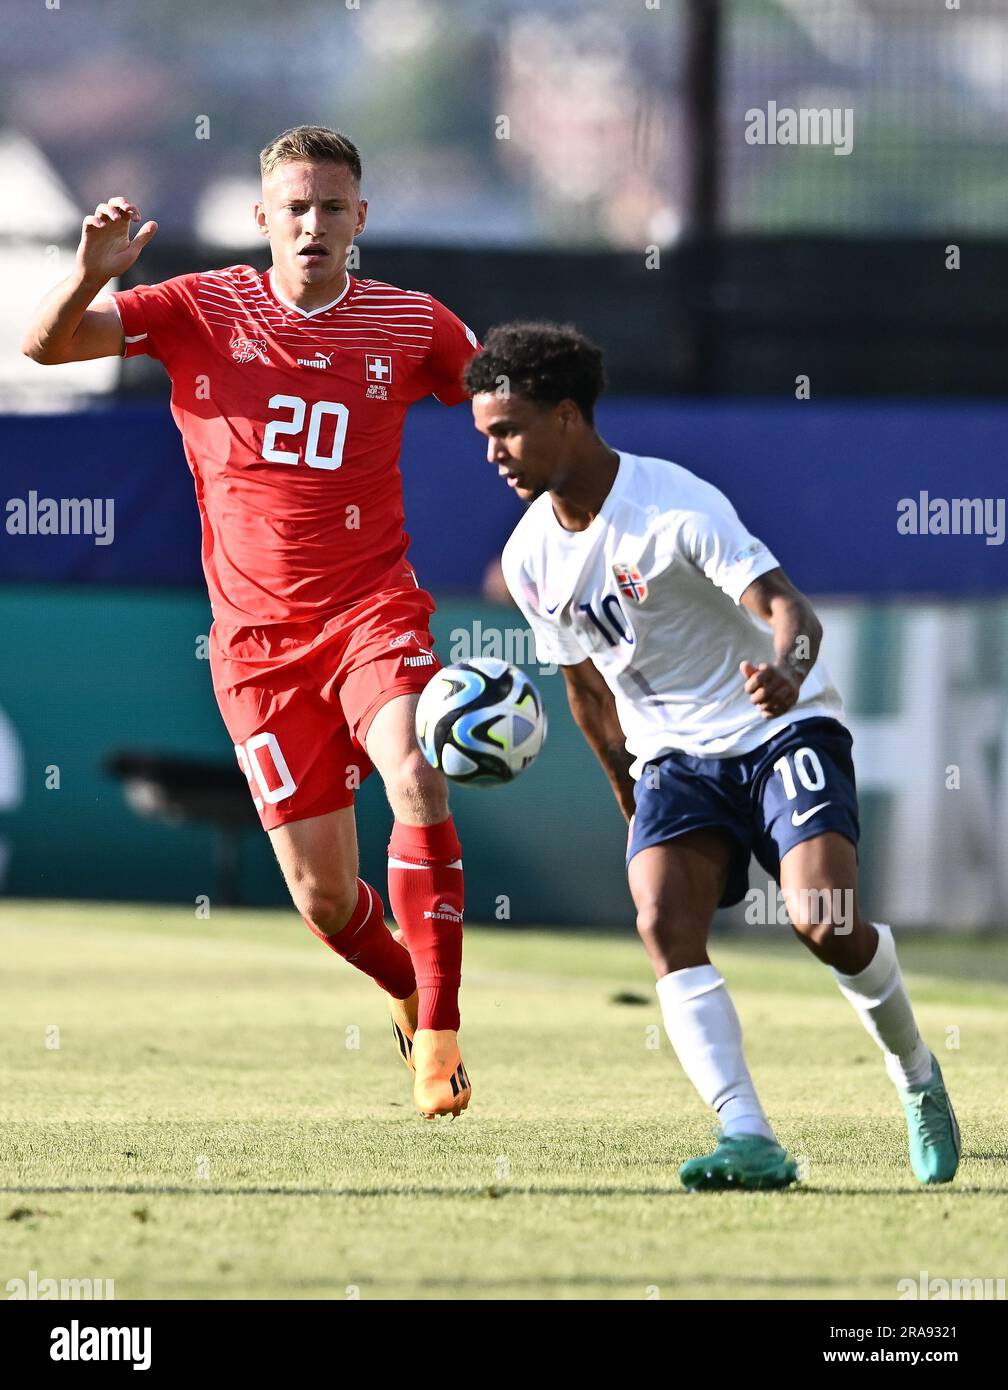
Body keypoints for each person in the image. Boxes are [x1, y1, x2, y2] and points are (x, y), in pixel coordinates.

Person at [22, 125, 479, 1119]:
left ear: (362, 218)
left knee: (415, 771)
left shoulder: (411, 326)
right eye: (296, 207)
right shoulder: (199, 307)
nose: (314, 224)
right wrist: (86, 275)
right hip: (257, 650)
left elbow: (495, 405)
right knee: (322, 899)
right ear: (264, 217)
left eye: (333, 207)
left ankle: (439, 1034)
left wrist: (547, 524)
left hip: (373, 611)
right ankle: (405, 987)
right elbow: (43, 347)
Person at [465, 321, 960, 1189]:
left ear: (568, 418)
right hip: (674, 761)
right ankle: (750, 1136)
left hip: (781, 730)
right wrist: (629, 790)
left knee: (825, 922)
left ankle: (918, 1075)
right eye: (486, 436)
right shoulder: (530, 556)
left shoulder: (672, 507)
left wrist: (785, 672)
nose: (495, 453)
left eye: (508, 430)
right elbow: (585, 690)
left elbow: (791, 612)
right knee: (662, 923)